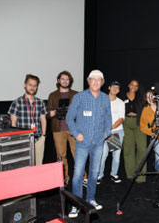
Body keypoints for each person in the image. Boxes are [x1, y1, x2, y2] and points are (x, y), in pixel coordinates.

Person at [66, 70, 112, 218]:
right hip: (82, 142)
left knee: (94, 173)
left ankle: (90, 199)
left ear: (102, 83)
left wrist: (107, 133)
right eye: (93, 79)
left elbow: (108, 118)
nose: (96, 82)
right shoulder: (79, 97)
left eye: (99, 80)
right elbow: (69, 118)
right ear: (88, 81)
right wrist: (75, 133)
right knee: (78, 174)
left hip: (98, 142)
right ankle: (76, 204)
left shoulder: (105, 98)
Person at [47, 71, 78, 186]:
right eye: (62, 79)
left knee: (78, 154)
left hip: (73, 129)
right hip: (58, 129)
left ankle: (82, 176)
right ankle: (65, 178)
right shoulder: (52, 95)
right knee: (61, 155)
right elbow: (47, 113)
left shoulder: (76, 94)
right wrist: (51, 113)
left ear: (70, 81)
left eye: (67, 79)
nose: (65, 81)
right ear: (58, 80)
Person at [8, 74, 47, 165]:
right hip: (23, 140)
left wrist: (43, 136)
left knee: (38, 165)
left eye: (35, 85)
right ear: (24, 85)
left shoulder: (40, 102)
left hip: (38, 139)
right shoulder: (17, 102)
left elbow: (43, 120)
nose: (32, 87)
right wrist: (16, 139)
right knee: (23, 165)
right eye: (30, 85)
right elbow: (13, 123)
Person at [97, 81, 125, 184]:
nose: (115, 89)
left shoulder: (120, 102)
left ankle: (114, 174)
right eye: (113, 87)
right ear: (109, 87)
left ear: (119, 90)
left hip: (116, 132)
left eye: (117, 88)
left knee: (116, 156)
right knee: (102, 155)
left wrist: (110, 129)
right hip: (102, 131)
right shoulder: (101, 100)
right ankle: (99, 175)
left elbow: (121, 118)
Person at [120, 79, 147, 183]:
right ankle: (131, 174)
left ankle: (140, 176)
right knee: (128, 149)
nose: (134, 87)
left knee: (142, 149)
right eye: (132, 85)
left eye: (136, 86)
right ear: (129, 85)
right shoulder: (122, 96)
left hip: (139, 123)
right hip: (126, 123)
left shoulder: (141, 97)